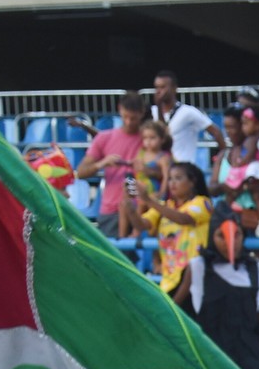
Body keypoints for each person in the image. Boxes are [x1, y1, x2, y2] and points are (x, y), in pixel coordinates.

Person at [163, 199, 259, 369]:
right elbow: (177, 305)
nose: (231, 242)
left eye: (237, 235)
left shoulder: (255, 269)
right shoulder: (199, 266)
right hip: (213, 353)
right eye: (222, 236)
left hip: (249, 355)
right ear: (212, 236)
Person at [122, 160, 211, 294]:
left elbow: (183, 219)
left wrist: (149, 200)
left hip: (195, 279)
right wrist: (130, 209)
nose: (172, 183)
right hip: (169, 281)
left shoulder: (202, 203)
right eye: (169, 179)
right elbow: (142, 226)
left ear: (192, 182)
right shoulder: (164, 206)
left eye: (178, 178)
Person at [76, 91, 148, 238]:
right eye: (125, 117)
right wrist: (102, 163)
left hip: (144, 208)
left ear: (142, 113)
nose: (128, 122)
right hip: (111, 210)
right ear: (120, 109)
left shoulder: (150, 138)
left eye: (133, 118)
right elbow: (81, 172)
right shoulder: (104, 138)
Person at [148, 69, 226, 170]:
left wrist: (223, 160)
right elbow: (161, 135)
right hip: (160, 168)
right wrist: (159, 107)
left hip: (183, 168)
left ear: (174, 88)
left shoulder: (188, 112)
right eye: (156, 87)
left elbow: (216, 132)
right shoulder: (152, 111)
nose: (158, 91)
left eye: (163, 87)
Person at [117, 118, 174, 242]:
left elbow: (166, 177)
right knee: (123, 204)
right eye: (145, 138)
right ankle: (121, 236)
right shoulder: (141, 153)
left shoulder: (163, 157)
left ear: (162, 139)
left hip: (154, 193)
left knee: (143, 202)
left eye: (152, 138)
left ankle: (136, 231)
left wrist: (162, 194)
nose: (148, 142)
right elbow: (133, 166)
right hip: (139, 190)